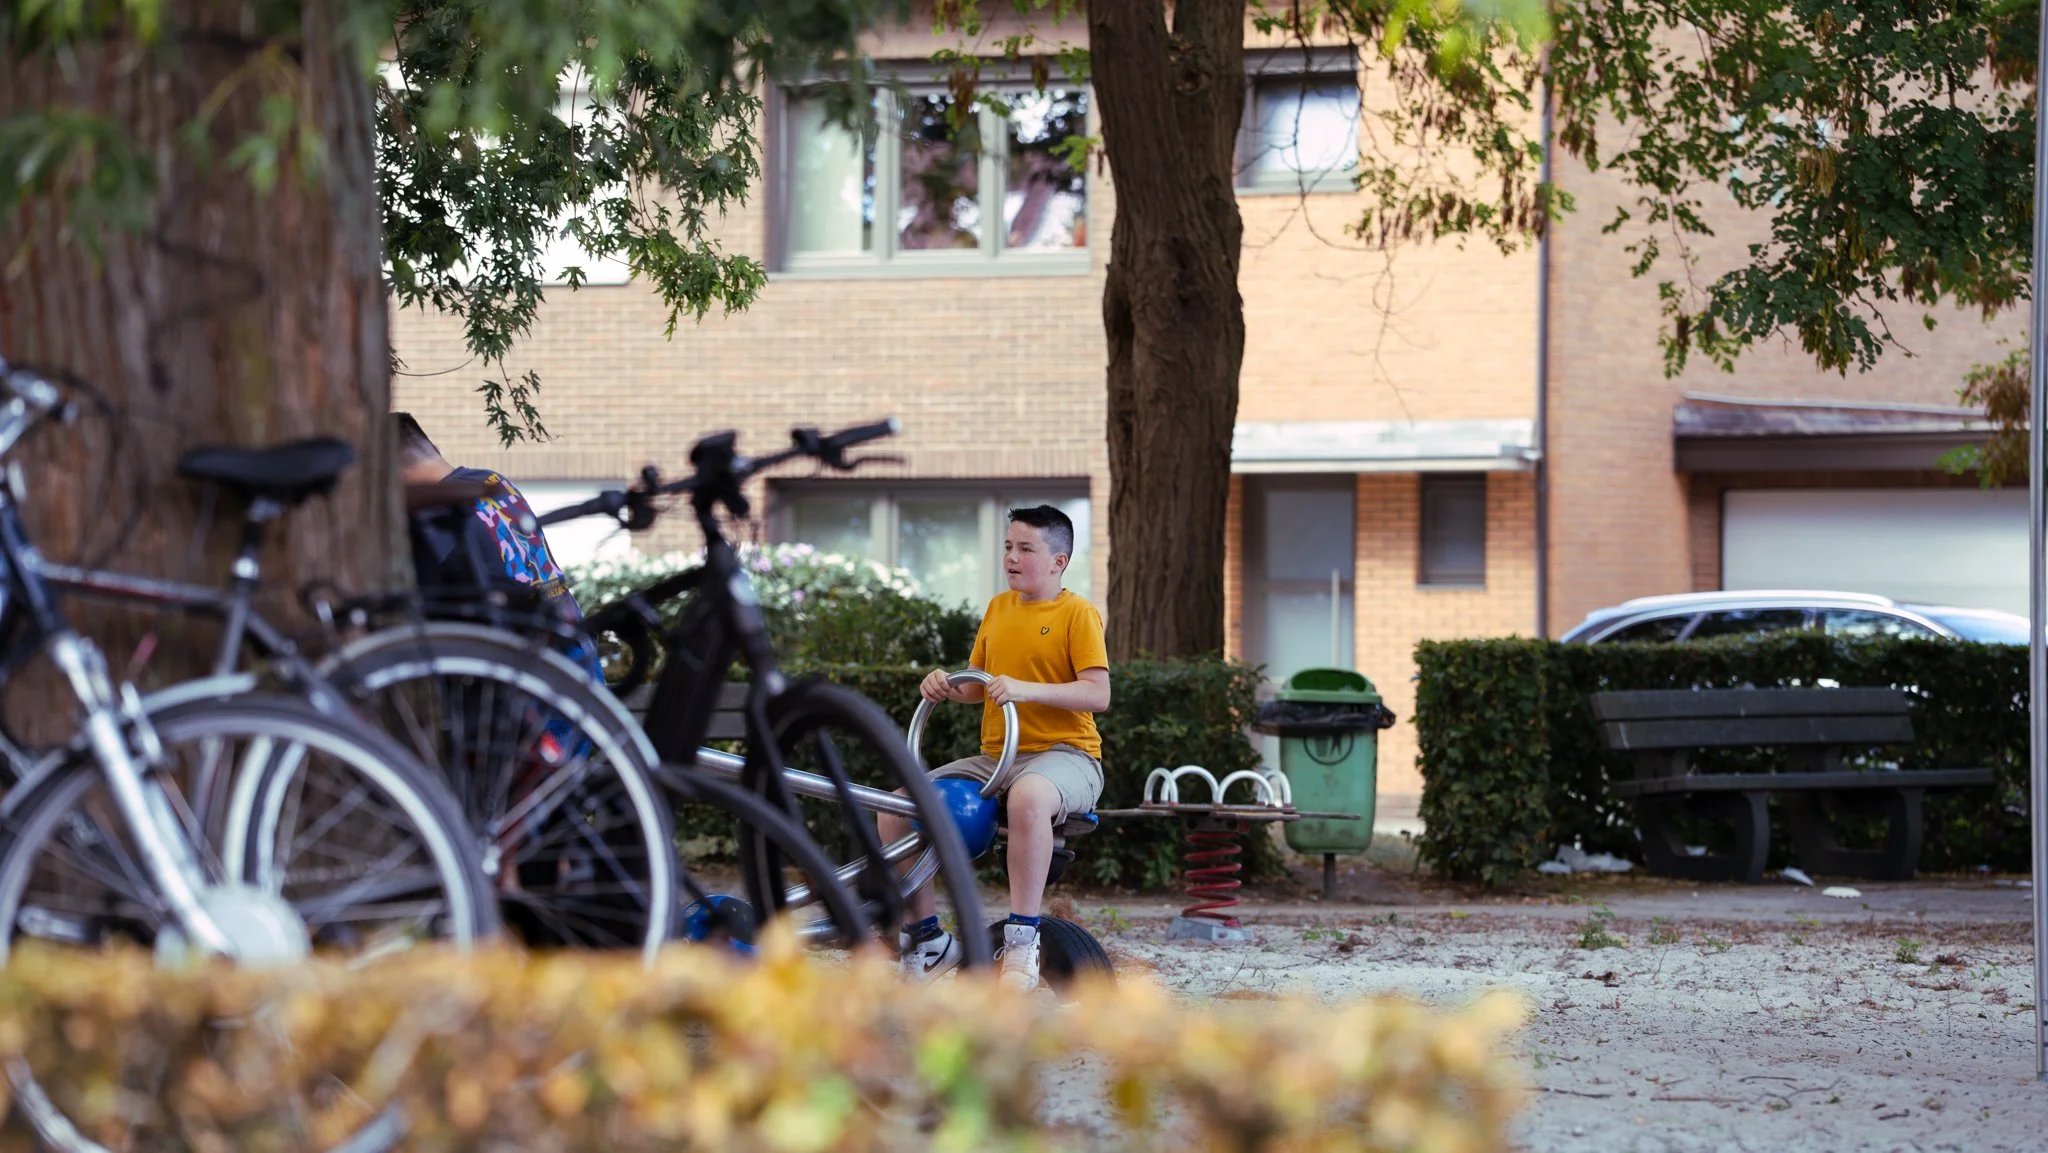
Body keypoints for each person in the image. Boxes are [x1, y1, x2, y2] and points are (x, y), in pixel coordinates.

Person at [884, 504, 1111, 992]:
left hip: (1067, 754)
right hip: (998, 757)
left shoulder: (1077, 614)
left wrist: (1028, 689)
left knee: (1029, 796)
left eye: (1025, 548)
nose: (1011, 557)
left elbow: (1098, 693)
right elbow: (978, 685)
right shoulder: (998, 608)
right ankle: (925, 940)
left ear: (1058, 561)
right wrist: (945, 683)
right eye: (1008, 546)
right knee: (895, 805)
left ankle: (1022, 944)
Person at [393, 411, 603, 682]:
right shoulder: (492, 480)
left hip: (530, 661)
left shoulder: (432, 514)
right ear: (435, 449)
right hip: (572, 633)